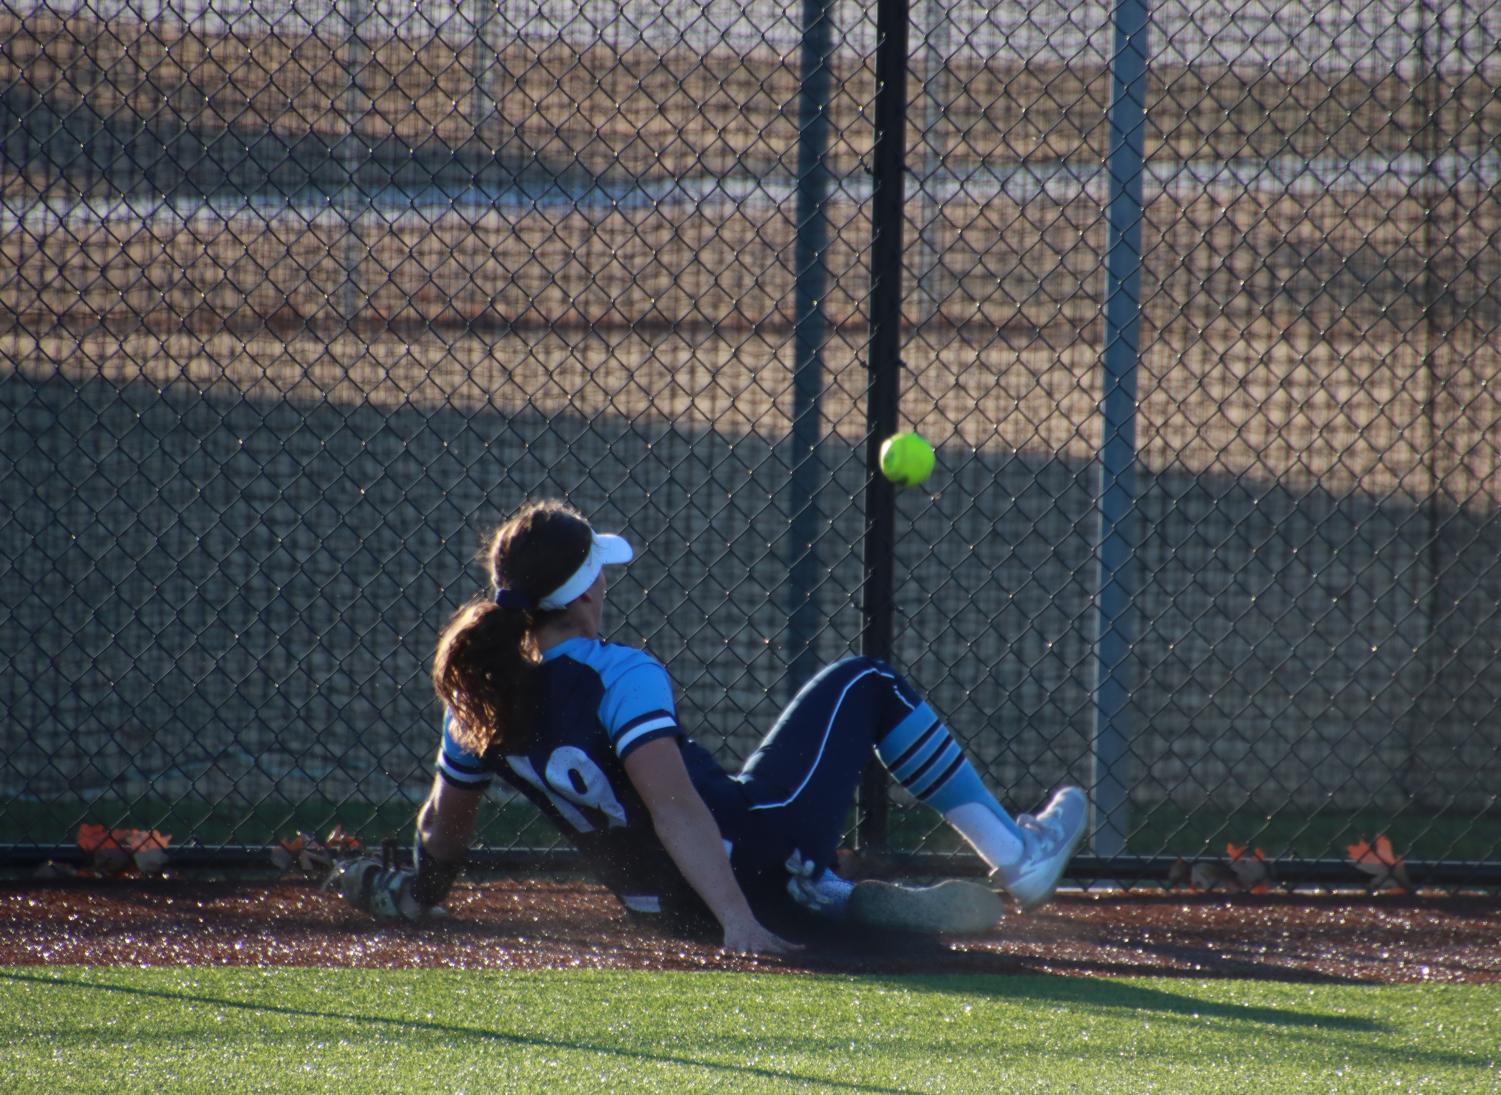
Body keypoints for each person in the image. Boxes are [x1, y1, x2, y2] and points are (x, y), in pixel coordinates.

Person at [338, 500, 1088, 955]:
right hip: (740, 867)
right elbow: (673, 805)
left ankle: (822, 890)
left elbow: (444, 823)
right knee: (867, 682)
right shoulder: (617, 672)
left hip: (662, 914)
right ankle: (1014, 857)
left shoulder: (482, 692)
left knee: (743, 796)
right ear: (587, 588)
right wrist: (738, 919)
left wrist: (423, 890)